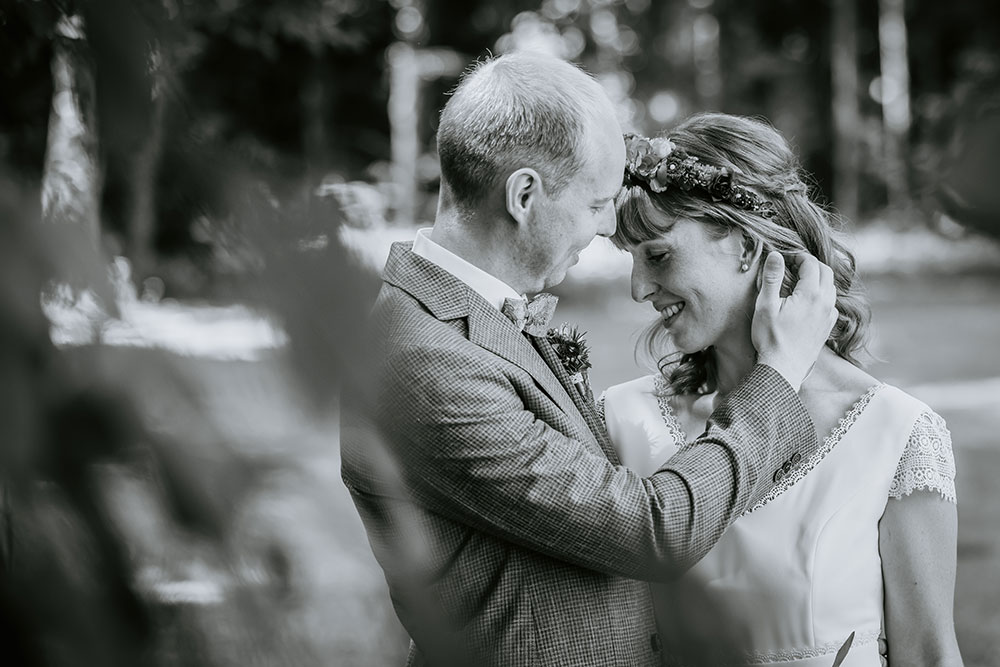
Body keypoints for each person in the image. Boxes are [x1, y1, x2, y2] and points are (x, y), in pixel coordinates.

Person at [340, 53, 837, 667]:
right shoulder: (421, 359)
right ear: (524, 195)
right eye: (597, 202)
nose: (607, 227)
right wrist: (778, 378)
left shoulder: (470, 319)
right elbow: (655, 530)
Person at [602, 112, 963, 666]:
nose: (638, 288)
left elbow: (929, 655)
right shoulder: (622, 422)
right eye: (632, 260)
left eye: (658, 255)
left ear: (747, 248)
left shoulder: (896, 436)